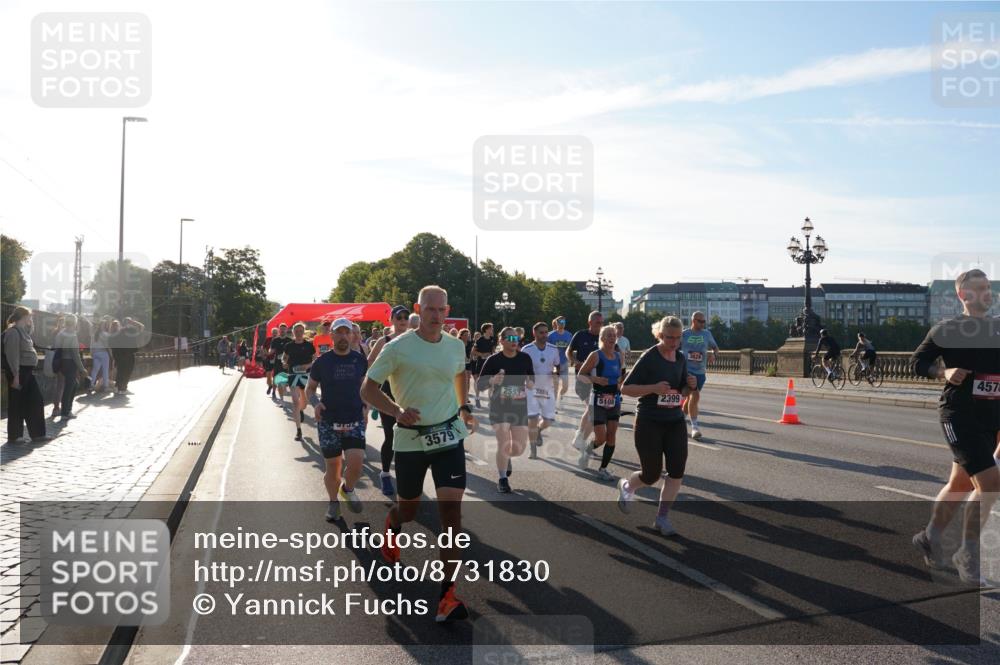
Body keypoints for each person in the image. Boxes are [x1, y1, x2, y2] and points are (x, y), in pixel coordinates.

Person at [362, 285, 477, 623]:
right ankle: (392, 523)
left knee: (452, 516)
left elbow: (459, 374)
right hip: (410, 440)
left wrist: (464, 406)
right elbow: (367, 388)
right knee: (409, 511)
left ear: (447, 310)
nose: (436, 316)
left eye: (442, 310)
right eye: (430, 309)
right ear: (418, 308)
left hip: (448, 438)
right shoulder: (397, 347)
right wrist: (396, 411)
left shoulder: (456, 345)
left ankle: (447, 597)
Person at [910, 269, 1000, 586]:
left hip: (991, 418)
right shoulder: (947, 329)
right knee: (990, 484)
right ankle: (968, 554)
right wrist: (943, 372)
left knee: (960, 484)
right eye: (979, 288)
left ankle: (929, 537)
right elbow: (918, 363)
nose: (987, 293)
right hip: (959, 416)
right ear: (963, 295)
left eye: (989, 288)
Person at [617, 316, 698, 536]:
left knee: (677, 471)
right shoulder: (649, 357)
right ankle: (628, 487)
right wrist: (653, 387)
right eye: (669, 337)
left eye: (678, 338)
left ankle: (661, 519)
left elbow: (681, 391)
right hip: (649, 421)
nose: (674, 342)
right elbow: (626, 389)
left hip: (674, 421)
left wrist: (689, 387)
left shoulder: (680, 358)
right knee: (651, 475)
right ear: (660, 335)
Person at [307, 318, 368, 522]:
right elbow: (310, 389)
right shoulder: (322, 362)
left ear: (352, 335)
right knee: (333, 467)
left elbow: (365, 387)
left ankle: (347, 489)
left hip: (354, 419)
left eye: (346, 332)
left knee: (356, 464)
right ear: (331, 335)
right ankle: (333, 503)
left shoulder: (359, 360)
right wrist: (315, 402)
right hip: (328, 420)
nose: (343, 336)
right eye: (338, 332)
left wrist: (367, 406)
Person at [477, 327, 534, 493]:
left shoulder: (525, 358)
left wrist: (531, 383)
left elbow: (531, 377)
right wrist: (493, 380)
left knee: (519, 448)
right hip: (499, 408)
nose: (513, 341)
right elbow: (479, 384)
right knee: (504, 443)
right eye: (509, 338)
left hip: (519, 408)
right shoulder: (494, 360)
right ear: (501, 341)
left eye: (516, 338)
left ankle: (507, 457)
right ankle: (502, 478)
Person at [367, 305, 412, 498]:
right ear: (392, 320)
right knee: (391, 435)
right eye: (399, 317)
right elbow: (369, 364)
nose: (403, 320)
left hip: (408, 393)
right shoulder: (383, 341)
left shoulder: (414, 339)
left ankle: (406, 478)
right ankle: (385, 473)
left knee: (409, 437)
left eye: (405, 317)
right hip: (388, 394)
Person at [577, 325, 625, 478]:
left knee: (612, 436)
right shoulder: (595, 355)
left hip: (614, 400)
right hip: (597, 399)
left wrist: (620, 383)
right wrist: (595, 379)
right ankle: (588, 450)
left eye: (614, 335)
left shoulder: (619, 356)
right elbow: (580, 375)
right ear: (602, 338)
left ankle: (603, 469)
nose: (612, 338)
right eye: (609, 335)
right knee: (601, 438)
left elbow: (621, 376)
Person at [3, 307, 49, 443]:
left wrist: (31, 324)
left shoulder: (23, 331)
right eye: (30, 316)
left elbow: (30, 337)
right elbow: (12, 356)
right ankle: (15, 435)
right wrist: (16, 376)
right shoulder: (12, 332)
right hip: (18, 372)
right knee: (17, 404)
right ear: (23, 316)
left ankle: (38, 434)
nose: (31, 319)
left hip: (27, 372)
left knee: (35, 400)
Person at [521, 322, 559, 458]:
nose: (544, 335)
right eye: (541, 332)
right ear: (534, 333)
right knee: (532, 418)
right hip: (531, 389)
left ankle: (538, 430)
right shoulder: (527, 349)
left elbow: (557, 366)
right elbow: (521, 369)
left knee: (548, 420)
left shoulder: (553, 349)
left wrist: (555, 372)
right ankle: (533, 450)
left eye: (546, 332)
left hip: (547, 389)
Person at [681, 312, 720, 440]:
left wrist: (714, 355)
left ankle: (679, 420)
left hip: (701, 372)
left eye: (704, 322)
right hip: (687, 371)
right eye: (700, 321)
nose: (703, 324)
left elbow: (715, 348)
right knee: (695, 395)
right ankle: (695, 427)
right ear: (693, 320)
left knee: (690, 399)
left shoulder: (707, 334)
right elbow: (673, 347)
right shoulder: (684, 334)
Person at [568, 311, 603, 452]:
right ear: (590, 323)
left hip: (599, 381)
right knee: (592, 408)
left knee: (592, 410)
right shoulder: (581, 335)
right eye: (597, 323)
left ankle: (580, 437)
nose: (600, 325)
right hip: (582, 378)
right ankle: (580, 438)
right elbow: (568, 351)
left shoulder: (604, 337)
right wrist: (574, 361)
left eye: (602, 322)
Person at [282, 322, 317, 442]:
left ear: (303, 332)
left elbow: (315, 360)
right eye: (296, 331)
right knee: (295, 402)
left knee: (304, 403)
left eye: (300, 331)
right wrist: (284, 363)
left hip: (306, 376)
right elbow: (284, 358)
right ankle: (298, 430)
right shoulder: (289, 345)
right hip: (293, 375)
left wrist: (307, 365)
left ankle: (301, 410)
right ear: (293, 332)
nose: (298, 333)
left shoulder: (309, 345)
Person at [54, 314, 87, 420]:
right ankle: (66, 411)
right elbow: (75, 353)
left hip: (62, 362)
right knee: (70, 387)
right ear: (75, 323)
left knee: (73, 385)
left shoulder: (61, 333)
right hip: (70, 362)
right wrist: (82, 368)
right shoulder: (72, 334)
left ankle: (66, 410)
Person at [111, 317, 143, 394]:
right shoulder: (132, 330)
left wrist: (115, 357)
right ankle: (123, 389)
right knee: (127, 371)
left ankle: (117, 387)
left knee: (120, 371)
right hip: (129, 354)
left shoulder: (119, 331)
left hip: (120, 355)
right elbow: (142, 327)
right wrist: (134, 322)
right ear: (130, 323)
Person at [548, 317, 573, 404]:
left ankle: (561, 394)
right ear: (556, 323)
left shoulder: (569, 335)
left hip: (564, 363)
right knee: (555, 386)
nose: (562, 323)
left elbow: (571, 349)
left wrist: (572, 358)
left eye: (564, 321)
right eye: (560, 321)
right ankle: (554, 405)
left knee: (565, 386)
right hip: (554, 364)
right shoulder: (550, 335)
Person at [472, 323, 496, 409]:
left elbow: (493, 351)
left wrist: (493, 354)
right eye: (491, 328)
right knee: (479, 382)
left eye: (492, 328)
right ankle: (477, 398)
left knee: (492, 382)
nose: (492, 330)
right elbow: (473, 352)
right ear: (486, 330)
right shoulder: (479, 340)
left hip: (490, 364)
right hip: (481, 363)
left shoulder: (492, 339)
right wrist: (482, 354)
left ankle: (490, 401)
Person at [48, 315, 66, 418]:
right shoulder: (64, 334)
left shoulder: (55, 332)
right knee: (61, 385)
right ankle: (57, 408)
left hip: (55, 359)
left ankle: (56, 406)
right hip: (61, 360)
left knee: (58, 384)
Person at [89, 318, 112, 392]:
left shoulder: (94, 334)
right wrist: (111, 355)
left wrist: (91, 353)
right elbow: (108, 345)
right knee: (105, 370)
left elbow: (91, 345)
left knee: (95, 370)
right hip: (103, 353)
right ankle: (105, 386)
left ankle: (91, 385)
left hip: (95, 353)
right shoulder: (106, 334)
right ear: (104, 326)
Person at [269, 323, 291, 400]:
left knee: (282, 380)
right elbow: (271, 350)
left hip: (286, 364)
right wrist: (270, 351)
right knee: (275, 378)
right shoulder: (275, 340)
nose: (282, 331)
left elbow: (292, 352)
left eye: (284, 329)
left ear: (286, 330)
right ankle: (274, 392)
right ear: (279, 330)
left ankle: (282, 397)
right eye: (281, 329)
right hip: (277, 362)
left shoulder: (289, 340)